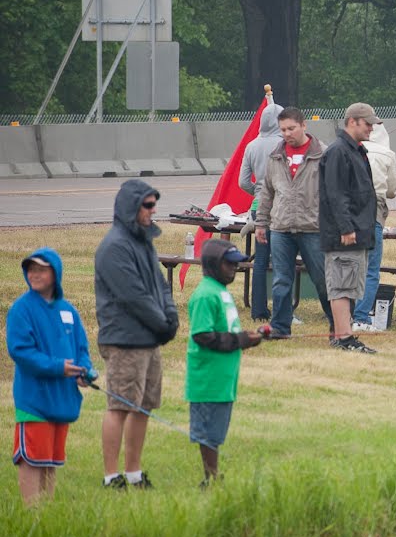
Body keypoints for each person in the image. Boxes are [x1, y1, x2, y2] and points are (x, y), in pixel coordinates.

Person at [94, 179, 179, 489]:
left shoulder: (143, 241)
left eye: (154, 205)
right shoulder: (114, 246)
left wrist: (170, 318)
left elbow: (159, 285)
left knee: (143, 406)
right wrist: (161, 323)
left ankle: (133, 472)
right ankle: (111, 476)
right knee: (120, 406)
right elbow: (133, 296)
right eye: (147, 205)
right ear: (130, 207)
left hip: (148, 338)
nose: (152, 211)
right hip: (124, 339)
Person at [8, 248, 94, 504]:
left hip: (62, 401)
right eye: (31, 269)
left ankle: (47, 516)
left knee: (50, 462)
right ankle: (32, 518)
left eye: (41, 269)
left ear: (55, 273)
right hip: (34, 401)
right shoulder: (21, 309)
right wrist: (58, 367)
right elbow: (20, 351)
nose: (34, 274)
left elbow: (81, 349)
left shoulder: (68, 310)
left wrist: (84, 371)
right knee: (32, 460)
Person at [185, 239, 265, 485]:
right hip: (208, 379)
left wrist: (250, 338)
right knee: (208, 432)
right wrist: (240, 340)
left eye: (236, 264)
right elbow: (203, 335)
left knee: (216, 431)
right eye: (229, 264)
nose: (234, 269)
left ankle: (213, 476)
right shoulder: (205, 295)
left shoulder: (222, 292)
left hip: (223, 379)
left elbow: (228, 332)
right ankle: (210, 479)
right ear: (212, 264)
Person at [257, 107, 333, 339]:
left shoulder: (323, 153)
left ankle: (337, 323)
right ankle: (280, 326)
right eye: (283, 130)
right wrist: (261, 222)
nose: (287, 133)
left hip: (313, 227)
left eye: (291, 128)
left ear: (303, 125)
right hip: (281, 227)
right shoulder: (276, 155)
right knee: (281, 280)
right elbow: (267, 191)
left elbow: (332, 191)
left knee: (322, 278)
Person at [321, 102, 381, 352]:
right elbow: (335, 194)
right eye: (367, 124)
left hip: (359, 232)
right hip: (344, 234)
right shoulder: (338, 151)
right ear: (352, 121)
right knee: (342, 286)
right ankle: (344, 338)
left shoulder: (356, 150)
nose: (371, 128)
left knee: (350, 285)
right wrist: (346, 228)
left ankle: (343, 335)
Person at [353, 114, 396, 332]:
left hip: (346, 212)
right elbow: (391, 191)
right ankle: (361, 316)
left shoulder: (348, 149)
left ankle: (343, 313)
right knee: (371, 269)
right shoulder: (388, 154)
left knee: (348, 265)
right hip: (374, 213)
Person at [238, 99, 284, 321]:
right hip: (282, 207)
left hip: (258, 207)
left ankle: (258, 310)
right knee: (282, 261)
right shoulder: (286, 143)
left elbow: (243, 181)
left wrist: (258, 193)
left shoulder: (252, 145)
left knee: (261, 260)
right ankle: (282, 309)